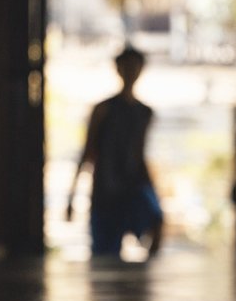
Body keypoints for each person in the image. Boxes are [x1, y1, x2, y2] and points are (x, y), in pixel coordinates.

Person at [66, 47, 163, 258]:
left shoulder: (145, 112)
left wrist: (151, 190)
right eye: (126, 67)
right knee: (105, 254)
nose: (130, 72)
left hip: (133, 185)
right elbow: (88, 150)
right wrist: (72, 194)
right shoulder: (103, 109)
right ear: (118, 69)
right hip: (106, 189)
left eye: (134, 67)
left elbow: (139, 153)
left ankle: (144, 279)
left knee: (156, 219)